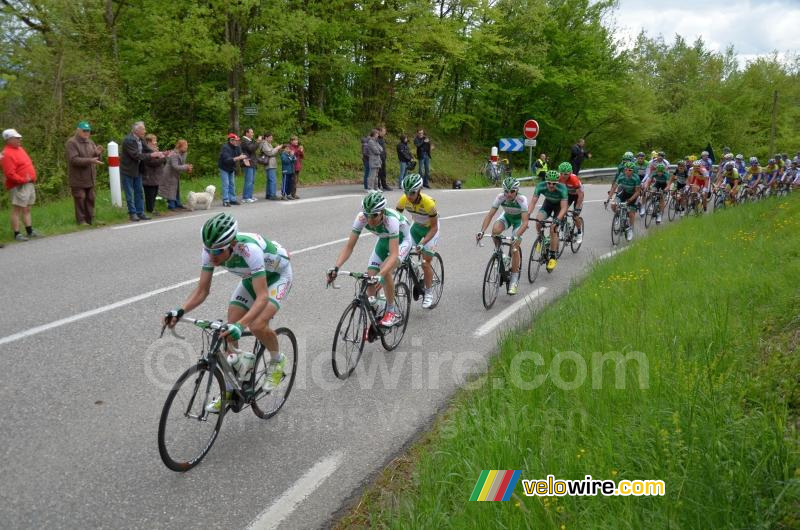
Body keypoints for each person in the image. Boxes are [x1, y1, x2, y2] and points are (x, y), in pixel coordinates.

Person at [164, 212, 292, 412]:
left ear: (232, 244)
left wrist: (241, 326)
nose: (212, 256)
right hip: (252, 278)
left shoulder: (250, 250)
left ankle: (277, 361)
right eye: (209, 250)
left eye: (218, 252)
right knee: (227, 332)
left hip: (277, 277)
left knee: (256, 325)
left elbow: (262, 297)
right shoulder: (211, 252)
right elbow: (202, 291)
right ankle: (232, 389)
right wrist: (179, 311)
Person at [327, 191, 411, 327]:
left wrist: (381, 274)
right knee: (370, 277)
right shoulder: (361, 218)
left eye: (374, 215)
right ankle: (378, 308)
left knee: (386, 270)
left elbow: (394, 254)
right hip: (384, 239)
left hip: (402, 241)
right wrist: (336, 267)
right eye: (367, 215)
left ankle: (391, 311)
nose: (370, 219)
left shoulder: (391, 221)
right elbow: (349, 246)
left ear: (382, 212)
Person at [477, 177, 530, 294]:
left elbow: (525, 222)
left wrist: (517, 236)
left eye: (512, 191)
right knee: (495, 231)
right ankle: (501, 254)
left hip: (519, 222)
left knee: (514, 247)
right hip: (507, 217)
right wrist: (482, 231)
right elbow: (490, 215)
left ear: (516, 191)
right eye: (506, 191)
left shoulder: (522, 199)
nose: (509, 194)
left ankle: (514, 280)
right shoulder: (500, 197)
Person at [395, 173, 439, 308]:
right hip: (415, 228)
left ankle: (429, 292)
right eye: (406, 192)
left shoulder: (429, 204)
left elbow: (434, 227)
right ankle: (414, 267)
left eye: (412, 193)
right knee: (400, 251)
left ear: (419, 190)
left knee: (425, 262)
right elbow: (395, 219)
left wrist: (422, 243)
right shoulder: (403, 200)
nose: (409, 196)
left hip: (430, 230)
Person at [2, 128, 41, 241]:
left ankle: (30, 231)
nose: (20, 139)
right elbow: (9, 173)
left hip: (29, 183)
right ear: (9, 139)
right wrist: (22, 180)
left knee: (27, 209)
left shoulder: (20, 149)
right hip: (19, 185)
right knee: (17, 210)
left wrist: (31, 178)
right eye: (17, 138)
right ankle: (17, 234)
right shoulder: (6, 154)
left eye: (19, 137)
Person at [121, 121, 164, 222]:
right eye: (143, 129)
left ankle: (140, 212)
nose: (145, 131)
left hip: (138, 170)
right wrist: (152, 155)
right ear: (137, 130)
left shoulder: (141, 139)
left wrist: (159, 153)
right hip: (128, 170)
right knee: (129, 193)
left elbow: (147, 150)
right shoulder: (128, 140)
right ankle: (132, 213)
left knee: (139, 192)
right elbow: (136, 155)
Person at [65, 121, 104, 226]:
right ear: (78, 130)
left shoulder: (90, 142)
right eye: (84, 131)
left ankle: (91, 220)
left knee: (91, 198)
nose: (87, 133)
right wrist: (90, 160)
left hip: (90, 177)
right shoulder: (71, 143)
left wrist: (98, 154)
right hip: (78, 178)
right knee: (80, 198)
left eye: (88, 131)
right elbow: (73, 160)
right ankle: (81, 221)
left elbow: (95, 158)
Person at [527, 171, 567, 272]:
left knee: (553, 228)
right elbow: (533, 202)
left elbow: (564, 208)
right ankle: (541, 239)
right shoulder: (540, 186)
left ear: (557, 183)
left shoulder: (562, 189)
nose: (551, 185)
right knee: (538, 221)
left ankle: (553, 257)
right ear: (546, 182)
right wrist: (527, 214)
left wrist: (558, 220)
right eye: (549, 183)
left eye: (554, 183)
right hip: (548, 204)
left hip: (559, 207)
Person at [607, 162, 641, 241]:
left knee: (631, 213)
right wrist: (609, 198)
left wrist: (630, 200)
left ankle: (631, 229)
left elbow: (637, 192)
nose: (627, 171)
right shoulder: (621, 176)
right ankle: (618, 215)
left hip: (633, 195)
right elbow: (614, 187)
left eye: (630, 170)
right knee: (613, 205)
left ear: (633, 171)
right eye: (626, 169)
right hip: (624, 193)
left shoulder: (636, 178)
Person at [556, 162, 584, 242]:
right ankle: (562, 229)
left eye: (566, 174)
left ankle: (579, 232)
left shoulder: (574, 179)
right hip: (569, 195)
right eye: (562, 174)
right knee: (562, 212)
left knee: (575, 216)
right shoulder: (559, 178)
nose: (563, 176)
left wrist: (577, 208)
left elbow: (580, 194)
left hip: (577, 196)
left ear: (570, 173)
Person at [142, 134, 168, 217]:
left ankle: (152, 208)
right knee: (150, 194)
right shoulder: (146, 151)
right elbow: (152, 163)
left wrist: (164, 156)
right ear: (149, 142)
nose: (156, 143)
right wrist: (163, 158)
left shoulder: (156, 150)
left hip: (156, 176)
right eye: (154, 141)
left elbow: (162, 162)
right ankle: (150, 209)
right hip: (149, 176)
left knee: (154, 193)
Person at [218, 133, 247, 206]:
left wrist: (244, 160)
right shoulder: (225, 147)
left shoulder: (237, 147)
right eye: (236, 140)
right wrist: (239, 158)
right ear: (231, 140)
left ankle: (232, 199)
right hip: (224, 167)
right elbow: (227, 160)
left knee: (232, 184)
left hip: (231, 168)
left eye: (238, 140)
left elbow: (241, 155)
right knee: (226, 184)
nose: (237, 142)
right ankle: (225, 200)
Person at [164, 139, 193, 210]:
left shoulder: (184, 153)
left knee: (177, 188)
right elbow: (175, 166)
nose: (186, 147)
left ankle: (178, 203)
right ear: (179, 147)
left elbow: (182, 164)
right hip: (169, 173)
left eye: (187, 146)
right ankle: (171, 205)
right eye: (185, 146)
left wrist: (188, 168)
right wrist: (186, 167)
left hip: (176, 173)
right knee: (171, 188)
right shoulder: (174, 154)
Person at [258, 133, 283, 200]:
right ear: (266, 138)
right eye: (270, 137)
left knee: (270, 180)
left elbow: (272, 152)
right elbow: (270, 153)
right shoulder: (264, 143)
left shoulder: (267, 143)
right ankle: (272, 195)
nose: (271, 139)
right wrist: (277, 148)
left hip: (271, 163)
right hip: (269, 164)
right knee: (273, 180)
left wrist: (276, 149)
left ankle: (269, 194)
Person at [240, 128, 259, 203]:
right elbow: (251, 149)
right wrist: (257, 142)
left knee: (252, 181)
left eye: (253, 132)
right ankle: (246, 197)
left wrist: (256, 142)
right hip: (248, 163)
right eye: (251, 132)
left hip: (252, 163)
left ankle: (250, 196)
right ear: (246, 133)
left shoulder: (250, 141)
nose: (253, 134)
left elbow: (253, 148)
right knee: (249, 181)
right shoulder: (244, 140)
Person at [377, 126, 390, 191]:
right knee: (379, 173)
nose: (385, 133)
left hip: (383, 158)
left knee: (383, 172)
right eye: (383, 131)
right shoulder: (376, 139)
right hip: (378, 158)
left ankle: (384, 185)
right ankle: (378, 186)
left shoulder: (382, 139)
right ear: (379, 131)